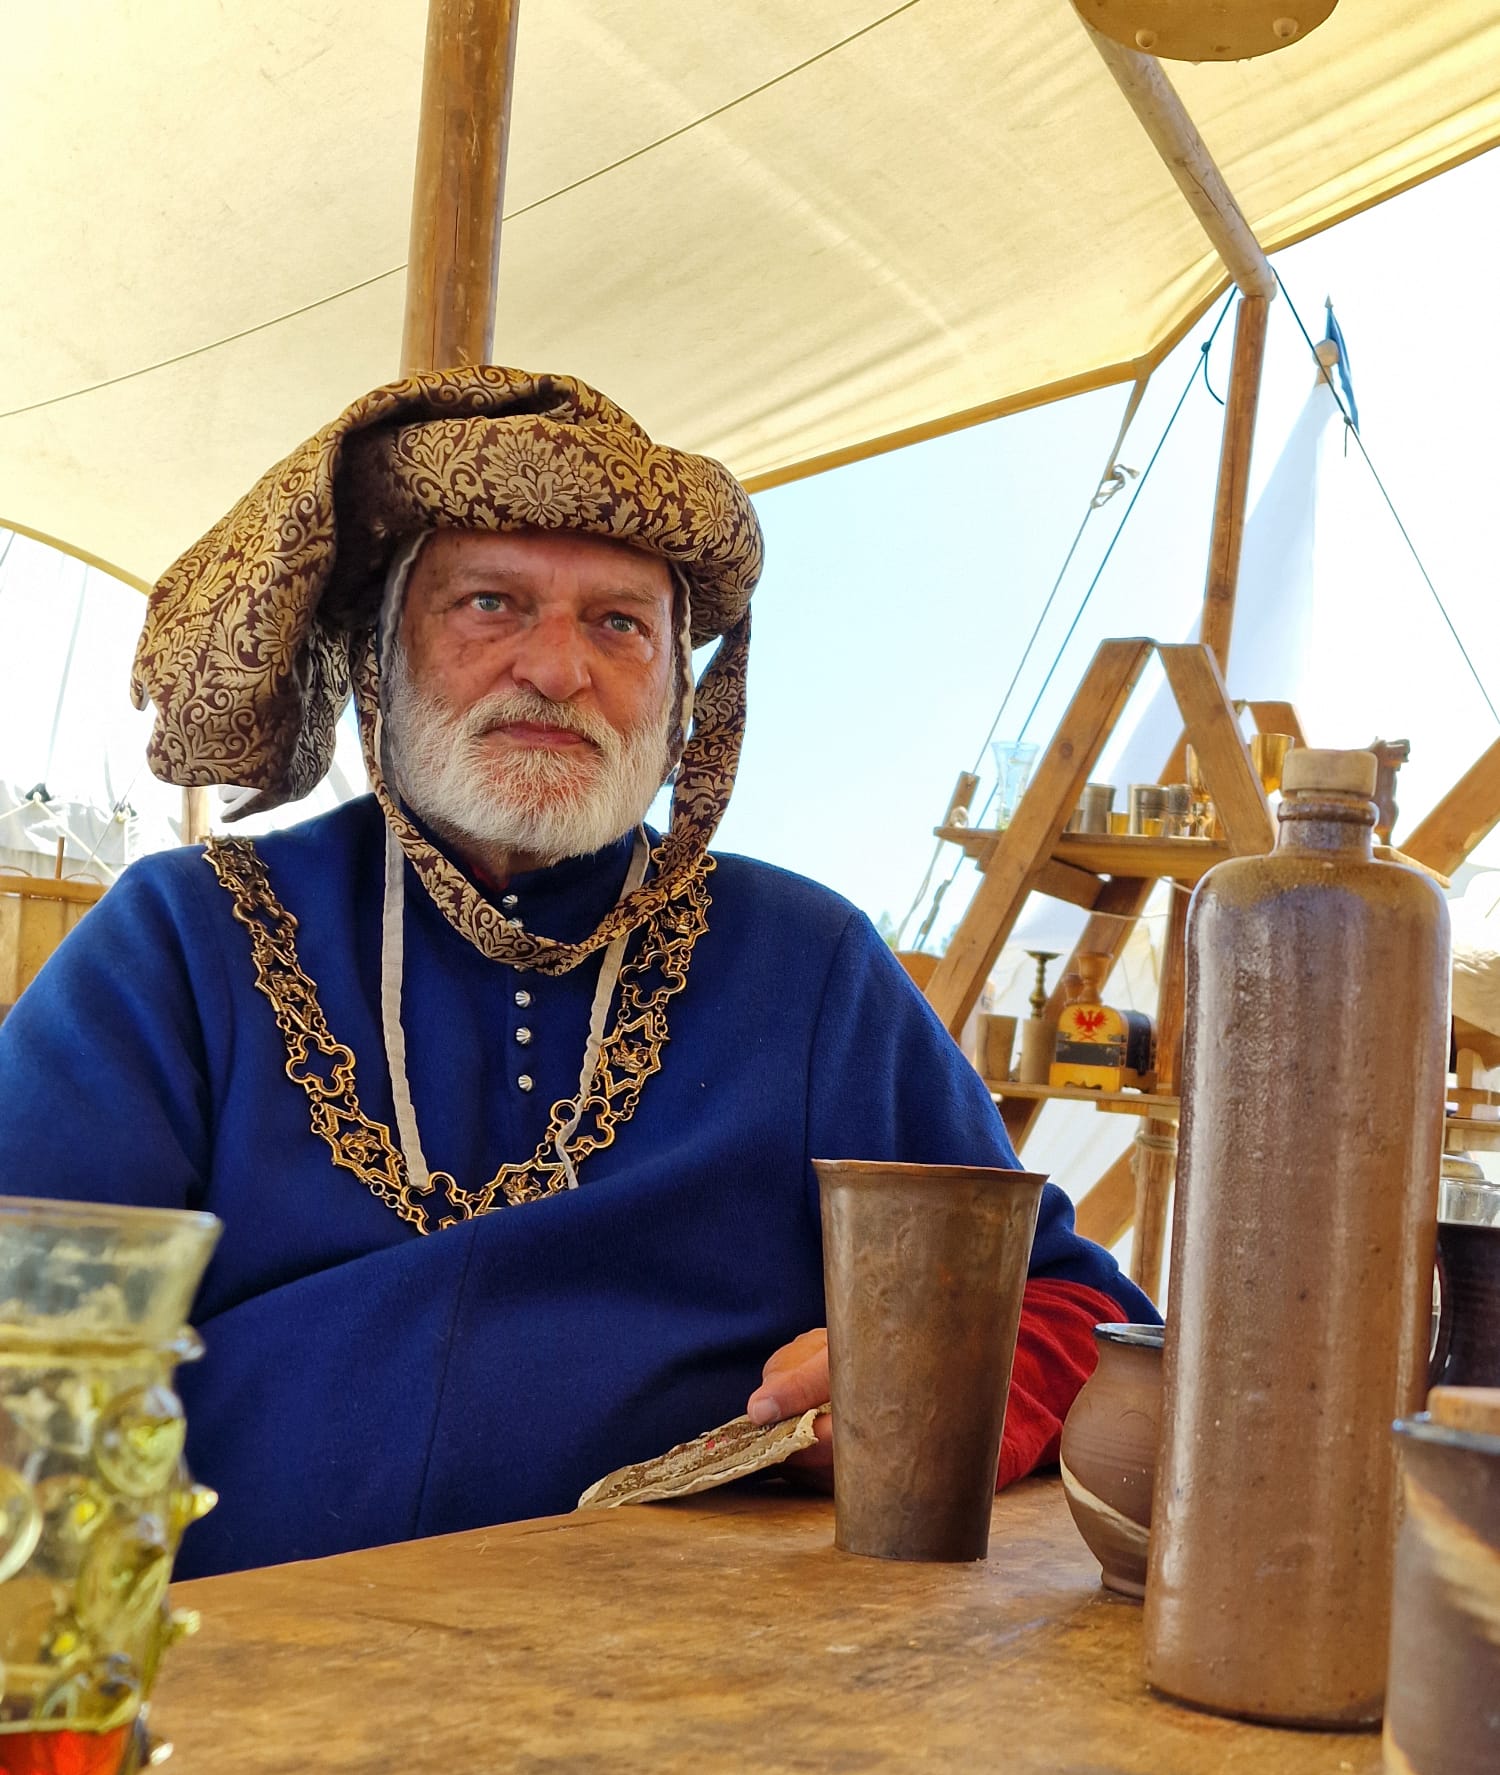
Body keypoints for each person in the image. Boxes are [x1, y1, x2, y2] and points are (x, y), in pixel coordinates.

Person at [0, 367, 1155, 1577]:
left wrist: (913, 1381)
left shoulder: (808, 966)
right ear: (380, 655)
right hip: (235, 1646)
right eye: (490, 603)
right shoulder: (184, 938)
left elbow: (1081, 1313)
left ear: (680, 696)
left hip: (686, 1662)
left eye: (619, 624)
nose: (557, 670)